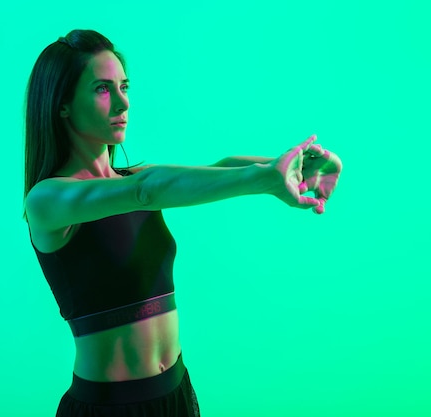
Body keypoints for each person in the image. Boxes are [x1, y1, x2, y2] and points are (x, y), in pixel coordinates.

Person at [23, 29, 342, 417]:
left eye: (125, 86)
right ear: (63, 105)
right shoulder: (49, 200)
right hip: (108, 408)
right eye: (103, 89)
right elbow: (147, 192)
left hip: (176, 394)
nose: (123, 102)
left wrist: (292, 168)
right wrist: (263, 178)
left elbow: (214, 169)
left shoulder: (133, 178)